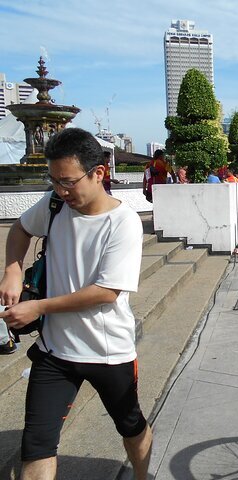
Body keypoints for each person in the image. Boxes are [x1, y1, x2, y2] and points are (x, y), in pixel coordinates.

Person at [0, 128, 152, 479]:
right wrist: (11, 269)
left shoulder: (123, 223)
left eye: (68, 182)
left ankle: (143, 475)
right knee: (36, 445)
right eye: (53, 180)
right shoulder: (54, 204)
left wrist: (37, 308)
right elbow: (21, 229)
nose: (60, 190)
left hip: (107, 351)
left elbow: (106, 292)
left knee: (131, 427)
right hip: (55, 352)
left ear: (99, 173)